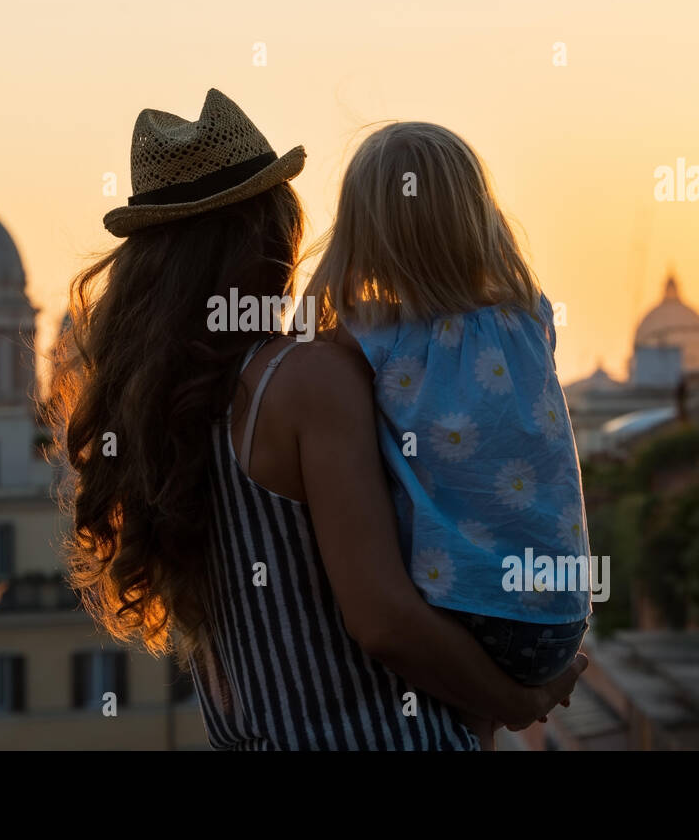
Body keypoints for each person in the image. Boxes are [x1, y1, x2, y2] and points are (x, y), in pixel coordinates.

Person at [51, 89, 585, 750]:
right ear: (266, 232)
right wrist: (518, 698)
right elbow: (383, 619)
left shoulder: (159, 415)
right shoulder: (306, 380)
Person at [306, 121, 592, 741]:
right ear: (479, 218)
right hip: (560, 616)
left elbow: (307, 342)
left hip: (465, 607)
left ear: (363, 235)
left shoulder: (371, 336)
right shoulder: (529, 314)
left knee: (460, 729)